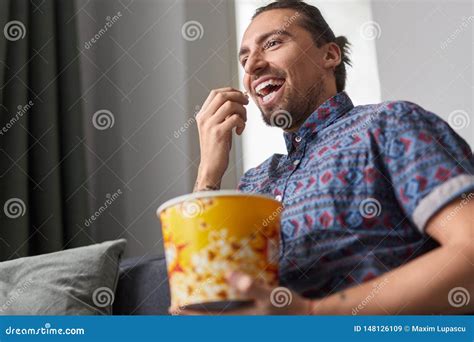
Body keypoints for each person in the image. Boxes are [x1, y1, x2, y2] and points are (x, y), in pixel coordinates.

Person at [179, 0, 474, 314]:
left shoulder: (390, 124)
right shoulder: (253, 183)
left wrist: (313, 314)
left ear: (329, 55)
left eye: (273, 43)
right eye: (245, 59)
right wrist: (207, 175)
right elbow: (199, 301)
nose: (252, 65)